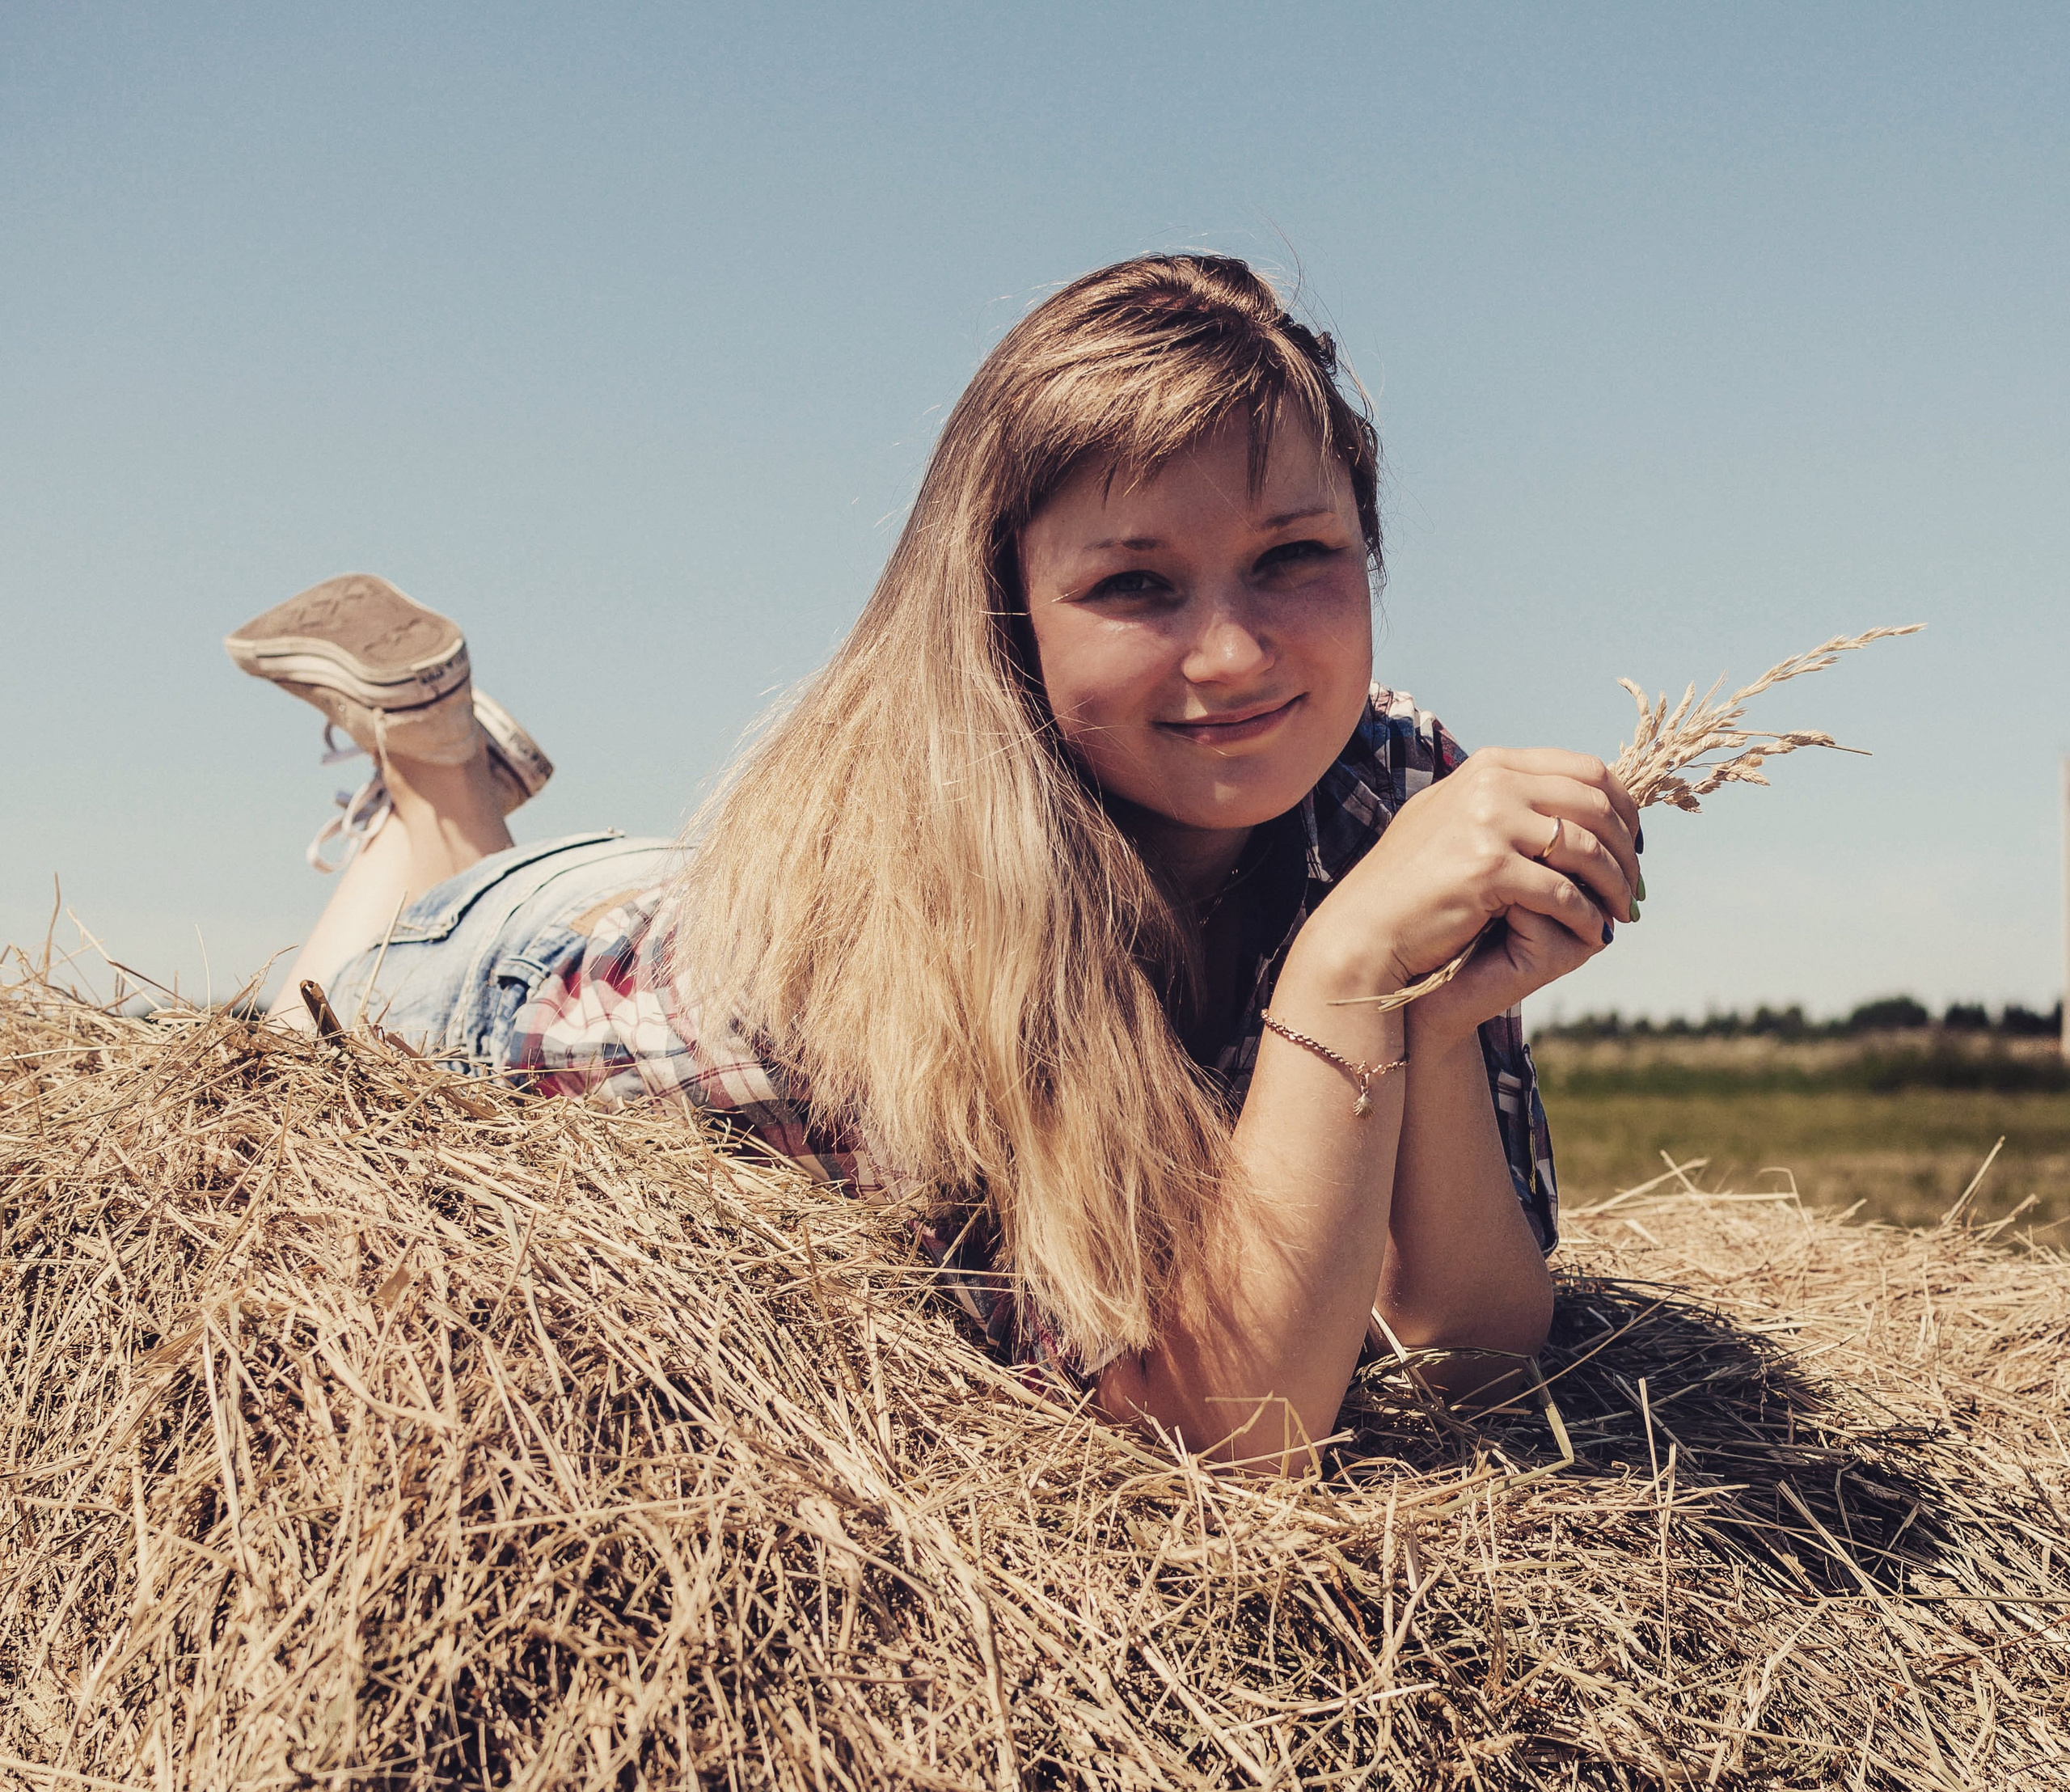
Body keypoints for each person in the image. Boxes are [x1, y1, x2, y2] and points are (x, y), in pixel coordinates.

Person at [228, 254, 1641, 1473]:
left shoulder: (1390, 789)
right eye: (1135, 585)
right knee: (296, 1031)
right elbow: (1206, 1446)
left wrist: (1427, 1018)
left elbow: (1474, 1350)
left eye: (1293, 557)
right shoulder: (920, 913)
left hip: (686, 893)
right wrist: (1350, 971)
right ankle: (437, 780)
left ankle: (450, 774)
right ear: (1003, 614)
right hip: (516, 975)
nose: (1234, 655)